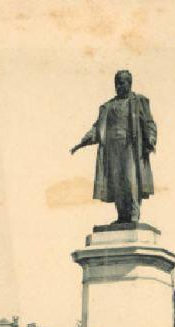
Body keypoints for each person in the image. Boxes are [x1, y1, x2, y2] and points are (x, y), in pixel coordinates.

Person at [70, 70, 157, 223]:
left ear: (129, 84)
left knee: (131, 180)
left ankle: (134, 214)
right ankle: (122, 215)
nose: (118, 86)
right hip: (112, 149)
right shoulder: (108, 107)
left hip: (131, 148)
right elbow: (98, 128)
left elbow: (149, 123)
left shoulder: (138, 102)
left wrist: (151, 137)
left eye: (122, 82)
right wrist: (84, 140)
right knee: (117, 183)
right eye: (116, 83)